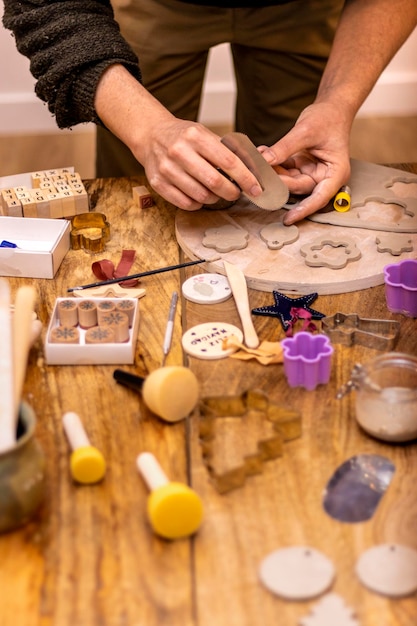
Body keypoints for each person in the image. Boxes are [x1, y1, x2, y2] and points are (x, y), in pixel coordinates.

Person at [3, 0, 416, 225]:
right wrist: (147, 131)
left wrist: (337, 103)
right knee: (144, 191)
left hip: (302, 8)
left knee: (297, 180)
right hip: (159, 5)